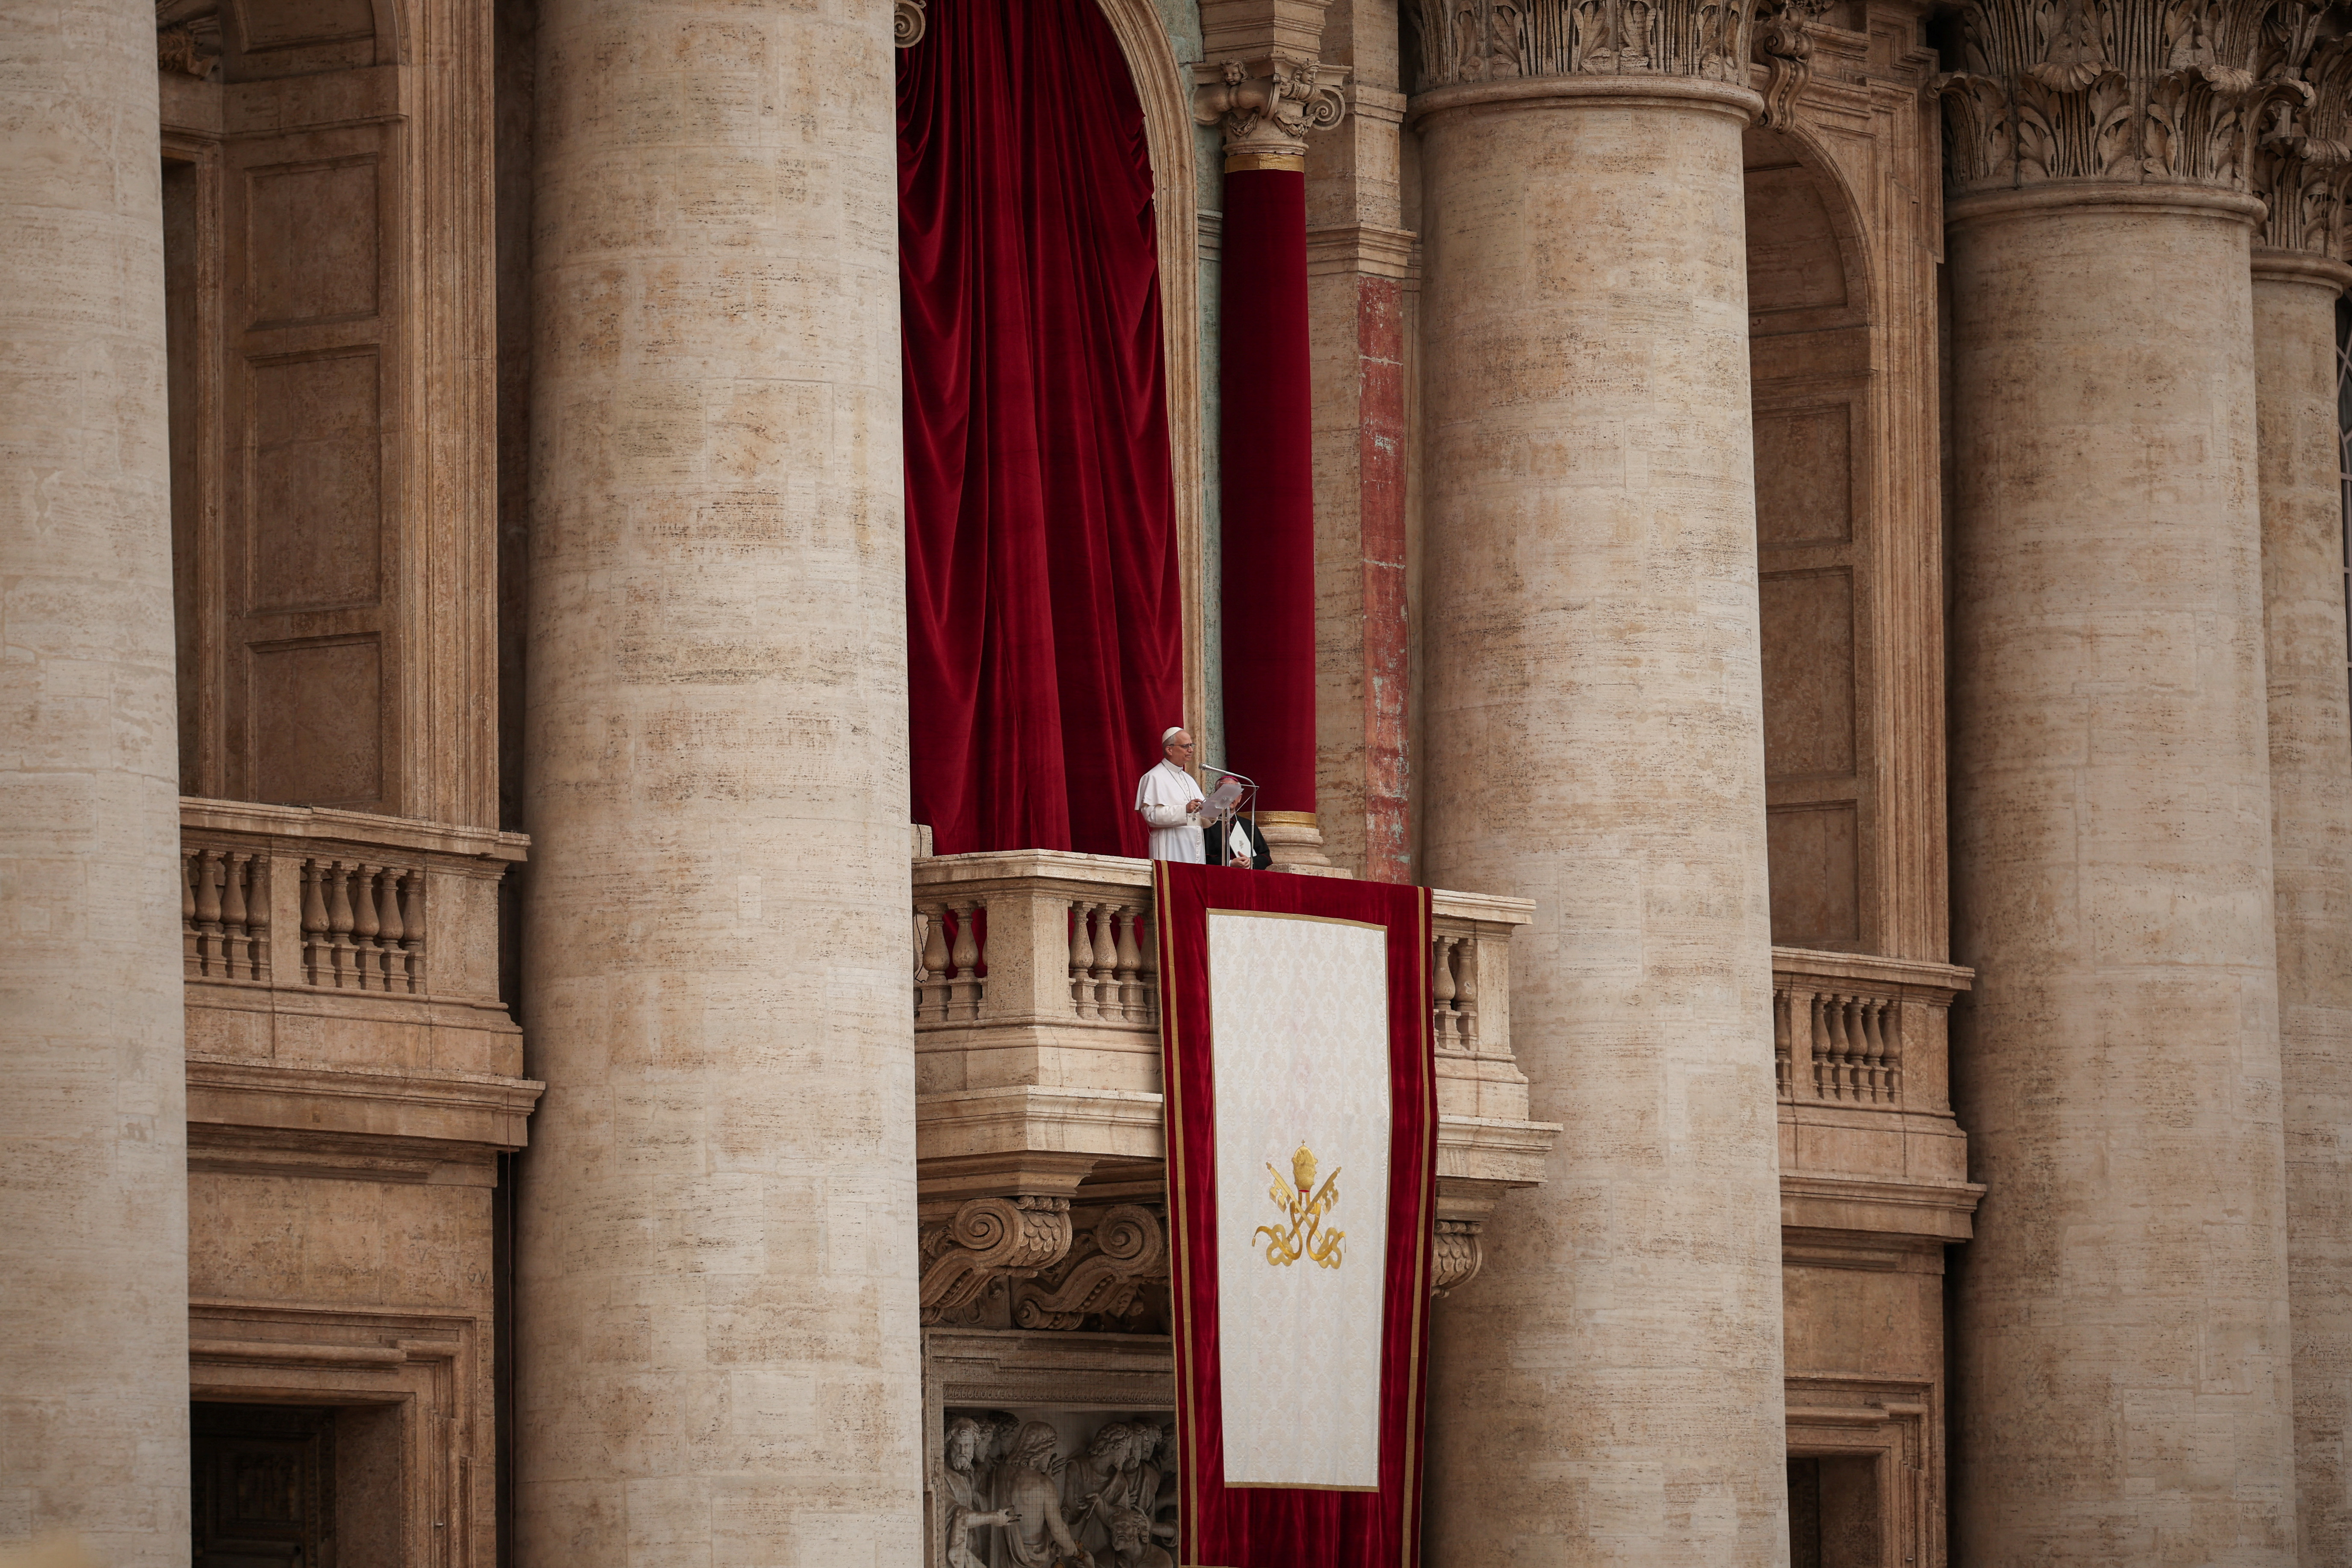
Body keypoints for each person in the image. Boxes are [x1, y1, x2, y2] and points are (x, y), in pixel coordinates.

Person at [1135, 728, 1206, 863]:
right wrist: (1184, 810)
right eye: (1185, 746)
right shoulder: (1153, 777)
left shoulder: (1189, 779)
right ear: (1169, 750)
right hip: (1170, 844)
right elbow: (1151, 816)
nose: (1191, 750)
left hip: (1195, 846)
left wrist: (1211, 812)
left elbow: (1198, 815)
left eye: (1192, 745)